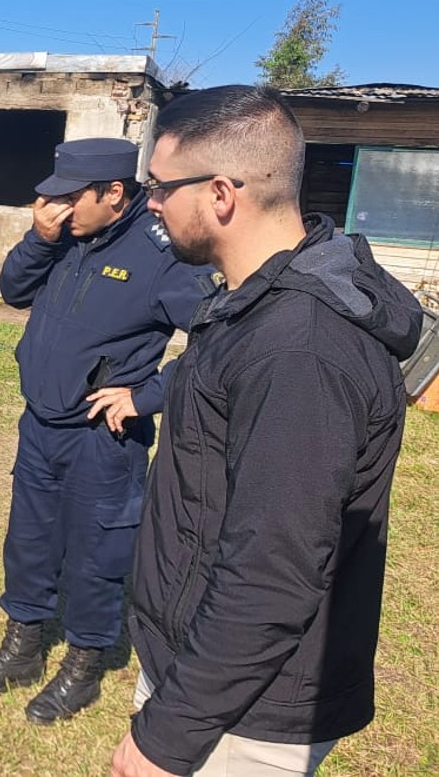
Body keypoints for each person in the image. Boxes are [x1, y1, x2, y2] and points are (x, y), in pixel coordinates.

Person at [110, 85, 423, 776]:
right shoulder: (253, 299)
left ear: (221, 194)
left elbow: (270, 574)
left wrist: (170, 736)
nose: (149, 204)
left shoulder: (299, 351)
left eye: (160, 187)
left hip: (246, 715)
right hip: (207, 673)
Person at [0, 138, 215, 724]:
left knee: (97, 555)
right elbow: (13, 290)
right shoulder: (63, 238)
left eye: (72, 199)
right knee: (28, 541)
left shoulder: (162, 254)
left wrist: (146, 395)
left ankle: (82, 666)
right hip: (40, 425)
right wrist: (40, 239)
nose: (59, 209)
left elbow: (220, 337)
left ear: (114, 194)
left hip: (103, 438)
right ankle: (21, 649)